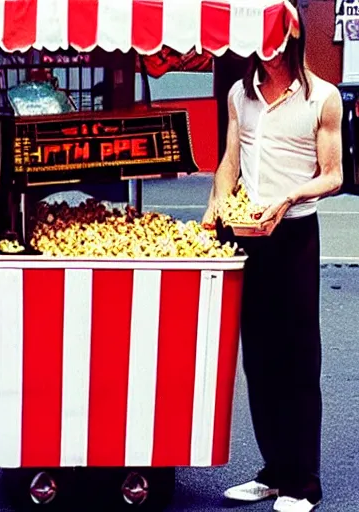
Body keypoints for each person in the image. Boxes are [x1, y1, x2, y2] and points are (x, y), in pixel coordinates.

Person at [203, 3, 343, 512]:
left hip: (296, 237)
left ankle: (304, 482)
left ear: (293, 41)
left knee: (298, 360)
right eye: (262, 45)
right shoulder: (241, 94)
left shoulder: (322, 99)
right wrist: (215, 205)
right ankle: (272, 471)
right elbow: (229, 161)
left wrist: (289, 198)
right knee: (258, 360)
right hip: (248, 234)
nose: (270, 54)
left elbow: (335, 175)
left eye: (277, 44)